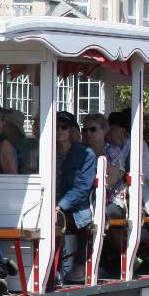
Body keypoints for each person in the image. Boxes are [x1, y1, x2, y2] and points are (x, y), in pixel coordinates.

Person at [54, 111, 97, 285]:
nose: (59, 130)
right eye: (56, 126)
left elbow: (82, 188)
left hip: (76, 207)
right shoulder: (46, 150)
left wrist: (60, 206)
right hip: (47, 203)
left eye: (63, 126)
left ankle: (71, 265)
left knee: (57, 219)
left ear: (72, 130)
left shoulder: (86, 154)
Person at [2, 108, 36, 174]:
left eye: (5, 122)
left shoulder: (28, 147)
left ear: (14, 127)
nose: (3, 125)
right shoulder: (4, 142)